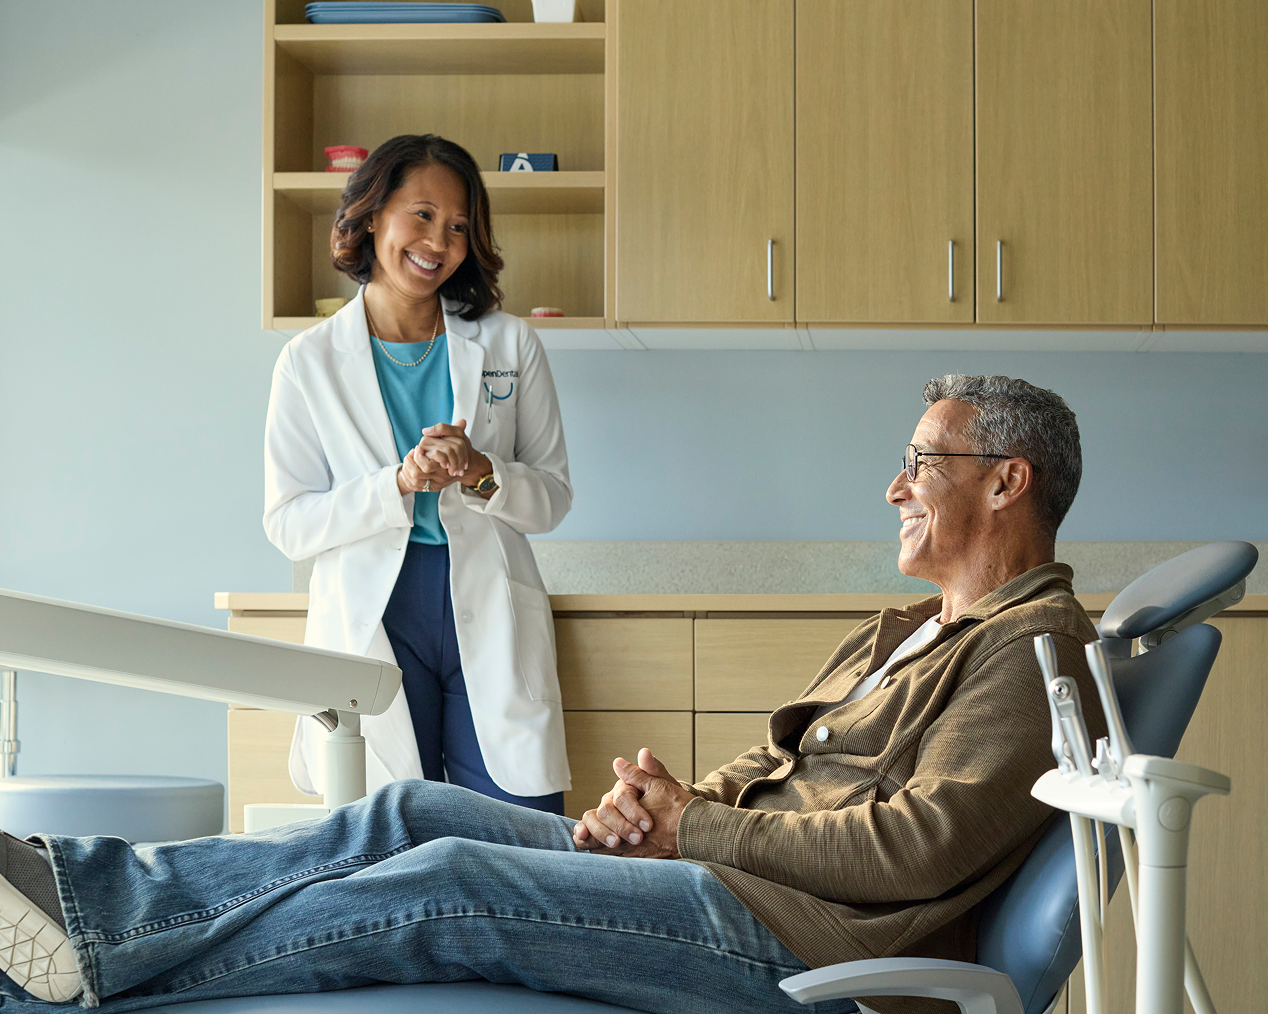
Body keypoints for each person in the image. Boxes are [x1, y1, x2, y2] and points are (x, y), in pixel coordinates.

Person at [0, 375, 1106, 1014]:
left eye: (921, 460)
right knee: (408, 808)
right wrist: (667, 807)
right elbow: (784, 773)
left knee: (448, 878)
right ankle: (81, 895)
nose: (893, 485)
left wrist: (693, 827)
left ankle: (89, 977)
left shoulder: (1029, 650)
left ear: (1005, 482)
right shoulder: (914, 629)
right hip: (731, 874)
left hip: (802, 941)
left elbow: (914, 850)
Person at [262, 134, 573, 814]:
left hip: (487, 604)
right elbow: (289, 523)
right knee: (389, 839)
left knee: (522, 838)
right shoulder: (308, 362)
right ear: (372, 213)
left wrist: (481, 472)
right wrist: (395, 485)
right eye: (424, 214)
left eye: (460, 225)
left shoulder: (508, 343)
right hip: (377, 612)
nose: (441, 240)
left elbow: (550, 496)